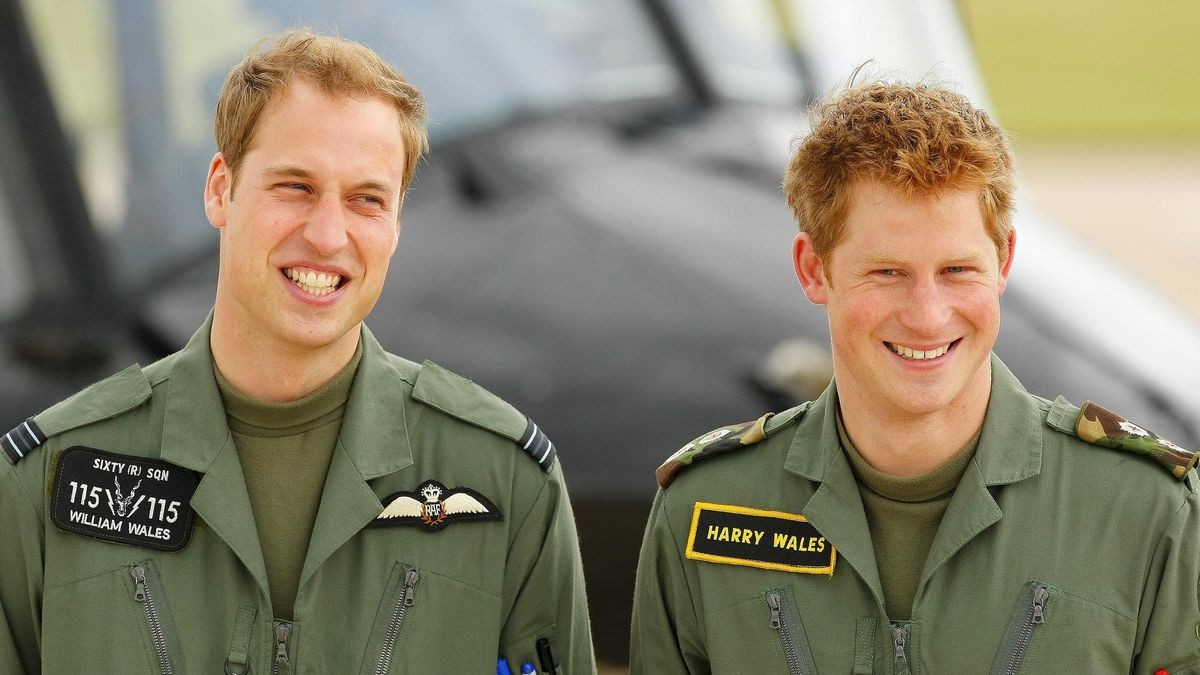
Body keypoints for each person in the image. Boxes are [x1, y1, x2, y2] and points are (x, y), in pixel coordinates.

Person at [0, 29, 594, 673]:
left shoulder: (505, 481)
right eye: (295, 187)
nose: (327, 235)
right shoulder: (45, 481)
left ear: (395, 223)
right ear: (220, 189)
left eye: (366, 199)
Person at [629, 77, 1200, 673]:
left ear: (1003, 262)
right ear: (814, 269)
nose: (927, 317)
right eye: (887, 273)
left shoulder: (1149, 513)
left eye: (956, 269)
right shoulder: (704, 513)